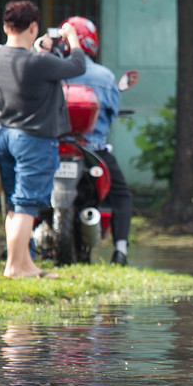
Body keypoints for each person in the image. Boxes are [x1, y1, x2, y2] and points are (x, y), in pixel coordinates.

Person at [0, 0, 86, 279]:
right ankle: (15, 267)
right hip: (33, 139)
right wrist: (72, 38)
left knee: (14, 205)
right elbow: (77, 65)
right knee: (27, 204)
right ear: (33, 27)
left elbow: (24, 67)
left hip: (5, 136)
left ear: (6, 26)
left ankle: (24, 263)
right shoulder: (40, 61)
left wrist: (38, 50)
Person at [55, 16, 135, 266]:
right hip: (93, 149)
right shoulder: (105, 77)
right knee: (121, 195)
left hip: (55, 149)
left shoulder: (54, 72)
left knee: (27, 189)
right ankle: (120, 251)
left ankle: (20, 247)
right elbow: (110, 113)